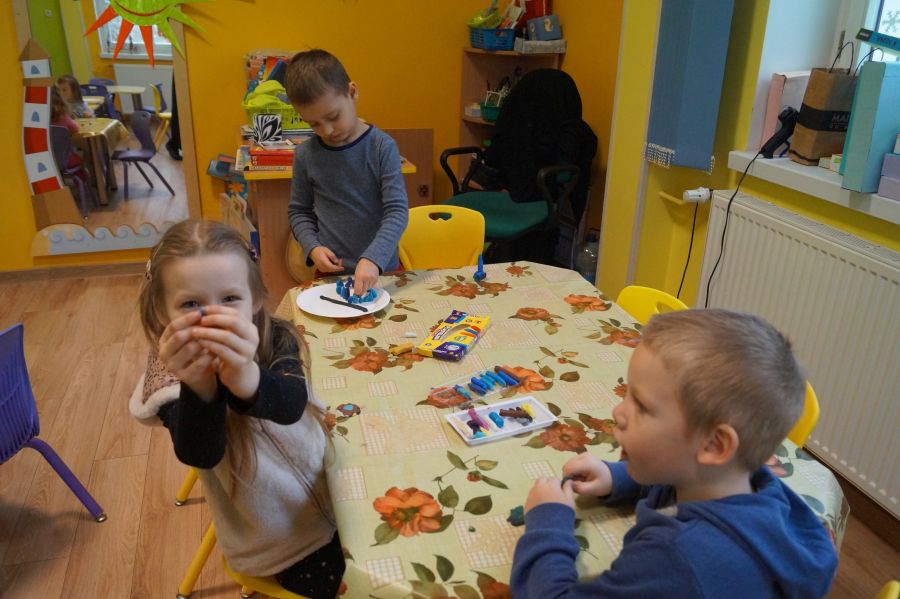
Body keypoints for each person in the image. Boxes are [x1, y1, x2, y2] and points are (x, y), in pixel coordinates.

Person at [511, 309, 838, 598]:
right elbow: (685, 474)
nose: (618, 412)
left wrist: (547, 523)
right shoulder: (750, 483)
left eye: (641, 405)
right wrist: (617, 477)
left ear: (714, 445)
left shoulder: (676, 557)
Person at [129, 220, 344, 598]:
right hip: (286, 544)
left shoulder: (275, 335)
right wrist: (200, 386)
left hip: (334, 488)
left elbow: (291, 404)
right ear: (162, 311)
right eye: (191, 304)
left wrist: (246, 377)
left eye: (230, 298)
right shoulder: (168, 380)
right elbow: (200, 453)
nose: (215, 317)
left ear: (255, 297)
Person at [284, 49, 408, 297]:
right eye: (314, 124)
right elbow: (299, 211)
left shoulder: (382, 147)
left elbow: (397, 211)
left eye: (333, 117)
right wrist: (313, 248)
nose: (327, 130)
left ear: (352, 92)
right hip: (330, 276)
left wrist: (373, 258)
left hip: (383, 270)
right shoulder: (306, 154)